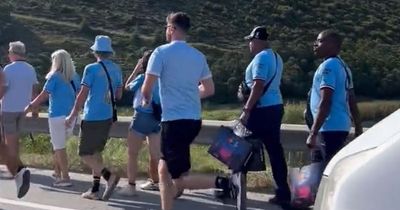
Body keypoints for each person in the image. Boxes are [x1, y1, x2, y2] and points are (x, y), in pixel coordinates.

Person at [141, 12, 237, 210]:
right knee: (163, 170)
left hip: (173, 121)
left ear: (172, 28)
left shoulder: (160, 52)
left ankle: (223, 182)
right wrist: (190, 95)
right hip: (193, 119)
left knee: (179, 178)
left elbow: (146, 88)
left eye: (167, 27)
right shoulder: (198, 56)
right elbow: (209, 89)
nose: (166, 31)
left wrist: (146, 99)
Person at [239, 26, 291, 207]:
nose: (249, 44)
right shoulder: (277, 57)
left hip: (260, 110)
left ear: (257, 40)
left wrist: (246, 109)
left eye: (250, 41)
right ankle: (283, 192)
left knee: (238, 149)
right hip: (275, 107)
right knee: (275, 152)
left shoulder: (260, 58)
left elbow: (258, 85)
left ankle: (236, 189)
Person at [65, 35, 122, 201]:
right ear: (109, 52)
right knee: (96, 153)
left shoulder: (91, 69)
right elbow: (118, 95)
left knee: (84, 153)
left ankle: (109, 176)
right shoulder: (117, 69)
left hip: (92, 116)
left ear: (96, 51)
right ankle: (95, 190)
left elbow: (82, 96)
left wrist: (72, 114)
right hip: (108, 116)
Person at [25, 49, 80, 187]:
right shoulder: (75, 77)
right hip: (71, 115)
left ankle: (65, 177)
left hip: (56, 115)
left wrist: (30, 106)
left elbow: (44, 95)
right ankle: (57, 171)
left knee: (59, 147)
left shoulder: (54, 77)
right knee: (58, 145)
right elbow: (80, 95)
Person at [307, 30, 362, 164]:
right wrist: (358, 128)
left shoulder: (328, 66)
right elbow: (352, 100)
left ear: (331, 45)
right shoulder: (344, 67)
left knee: (321, 171)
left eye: (319, 41)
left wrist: (313, 133)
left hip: (328, 128)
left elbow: (325, 101)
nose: (315, 44)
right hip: (340, 126)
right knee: (329, 168)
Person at [116, 50, 161, 196]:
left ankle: (131, 186)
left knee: (132, 154)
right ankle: (159, 182)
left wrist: (136, 69)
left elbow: (128, 86)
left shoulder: (143, 77)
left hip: (141, 117)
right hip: (157, 118)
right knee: (156, 155)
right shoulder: (163, 78)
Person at [0, 41, 39, 198]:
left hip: (8, 109)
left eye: (9, 52)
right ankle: (17, 170)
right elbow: (34, 89)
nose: (8, 55)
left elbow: (3, 88)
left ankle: (17, 171)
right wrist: (34, 109)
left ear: (13, 53)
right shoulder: (31, 69)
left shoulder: (8, 69)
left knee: (9, 141)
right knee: (15, 140)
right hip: (23, 109)